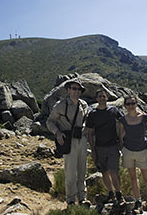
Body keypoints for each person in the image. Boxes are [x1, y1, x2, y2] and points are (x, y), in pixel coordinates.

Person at [46, 79, 90, 207]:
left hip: (81, 140)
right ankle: (70, 200)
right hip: (68, 141)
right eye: (74, 88)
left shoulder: (84, 105)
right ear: (68, 90)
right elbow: (50, 122)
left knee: (82, 170)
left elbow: (86, 120)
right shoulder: (61, 105)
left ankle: (82, 198)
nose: (76, 91)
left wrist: (86, 130)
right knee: (70, 172)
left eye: (78, 89)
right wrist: (58, 133)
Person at [119, 95, 147, 215]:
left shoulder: (145, 117)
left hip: (142, 151)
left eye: (133, 103)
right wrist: (123, 149)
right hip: (128, 151)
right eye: (128, 104)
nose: (131, 106)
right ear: (125, 106)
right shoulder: (123, 120)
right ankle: (138, 201)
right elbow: (120, 136)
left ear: (137, 103)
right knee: (133, 178)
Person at [85, 89, 124, 203]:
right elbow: (89, 133)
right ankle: (110, 193)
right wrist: (93, 150)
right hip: (99, 147)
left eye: (103, 96)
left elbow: (123, 121)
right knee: (104, 172)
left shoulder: (114, 110)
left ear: (107, 98)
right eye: (99, 96)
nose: (102, 98)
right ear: (96, 99)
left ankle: (118, 193)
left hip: (113, 146)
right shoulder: (93, 114)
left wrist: (121, 138)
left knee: (113, 171)